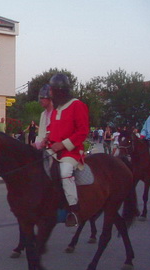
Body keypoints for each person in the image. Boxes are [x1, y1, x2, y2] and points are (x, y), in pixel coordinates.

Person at [45, 73, 89, 227]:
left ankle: (73, 210)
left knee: (64, 173)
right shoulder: (57, 108)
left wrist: (63, 144)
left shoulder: (77, 105)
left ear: (58, 90)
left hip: (72, 151)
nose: (49, 92)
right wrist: (47, 138)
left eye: (51, 89)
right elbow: (52, 128)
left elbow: (83, 131)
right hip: (54, 149)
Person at [34, 84, 54, 149]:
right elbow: (40, 134)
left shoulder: (57, 112)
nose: (40, 101)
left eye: (42, 98)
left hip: (53, 150)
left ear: (50, 98)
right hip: (43, 150)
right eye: (40, 98)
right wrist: (36, 144)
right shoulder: (43, 114)